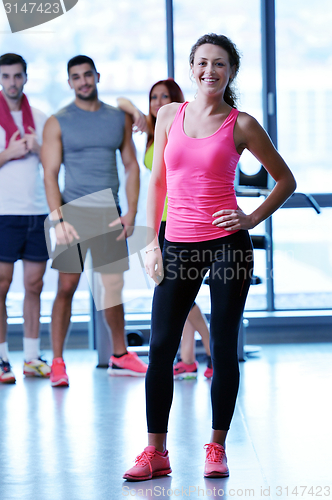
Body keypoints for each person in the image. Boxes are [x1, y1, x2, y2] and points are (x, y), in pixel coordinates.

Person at [123, 33, 296, 481]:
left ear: (231, 71)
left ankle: (216, 447)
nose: (210, 71)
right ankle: (155, 452)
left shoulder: (242, 124)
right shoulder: (167, 115)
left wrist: (250, 218)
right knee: (161, 347)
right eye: (202, 63)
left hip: (226, 246)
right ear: (192, 67)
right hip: (176, 243)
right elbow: (158, 183)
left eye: (220, 64)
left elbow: (285, 180)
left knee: (221, 348)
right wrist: (151, 242)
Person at [42, 55, 147, 387]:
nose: (83, 81)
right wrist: (58, 220)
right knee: (66, 287)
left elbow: (131, 165)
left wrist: (130, 211)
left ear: (97, 76)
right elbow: (49, 174)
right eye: (76, 77)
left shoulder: (117, 118)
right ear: (69, 82)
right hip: (71, 214)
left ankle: (120, 355)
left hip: (108, 212)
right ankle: (57, 361)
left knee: (112, 288)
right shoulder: (58, 121)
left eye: (88, 75)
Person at [118, 79, 213, 380]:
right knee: (171, 290)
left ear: (176, 100)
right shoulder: (153, 128)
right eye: (153, 98)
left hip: (180, 220)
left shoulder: (180, 126)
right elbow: (120, 99)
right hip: (160, 220)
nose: (158, 103)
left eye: (165, 97)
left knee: (177, 293)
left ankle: (211, 346)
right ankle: (187, 358)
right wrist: (135, 110)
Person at [0, 53, 50, 384]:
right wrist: (9, 153)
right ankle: (2, 359)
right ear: (0, 80)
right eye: (6, 77)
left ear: (26, 78)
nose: (13, 82)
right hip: (3, 213)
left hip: (37, 213)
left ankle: (31, 357)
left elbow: (56, 164)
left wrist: (38, 148)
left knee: (35, 285)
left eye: (18, 76)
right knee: (0, 286)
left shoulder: (42, 119)